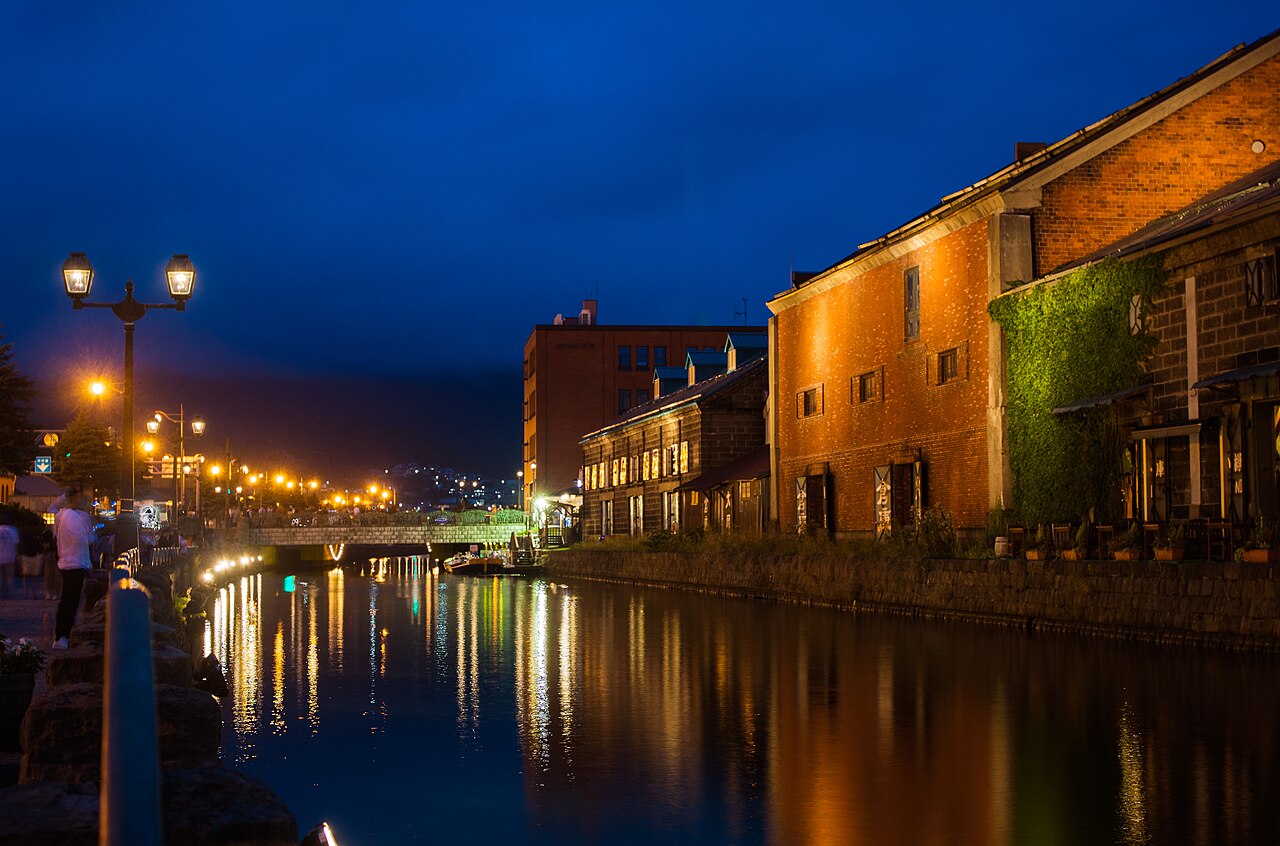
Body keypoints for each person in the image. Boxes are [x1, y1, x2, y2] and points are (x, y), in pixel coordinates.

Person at [53, 489, 96, 649]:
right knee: (71, 601)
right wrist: (93, 538)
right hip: (75, 563)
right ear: (75, 499)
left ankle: (62, 634)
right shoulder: (75, 517)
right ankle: (63, 635)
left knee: (68, 600)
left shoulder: (61, 516)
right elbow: (82, 539)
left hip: (66, 561)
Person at [0, 519, 18, 599]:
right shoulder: (12, 530)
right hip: (10, 556)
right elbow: (16, 544)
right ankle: (8, 594)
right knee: (9, 576)